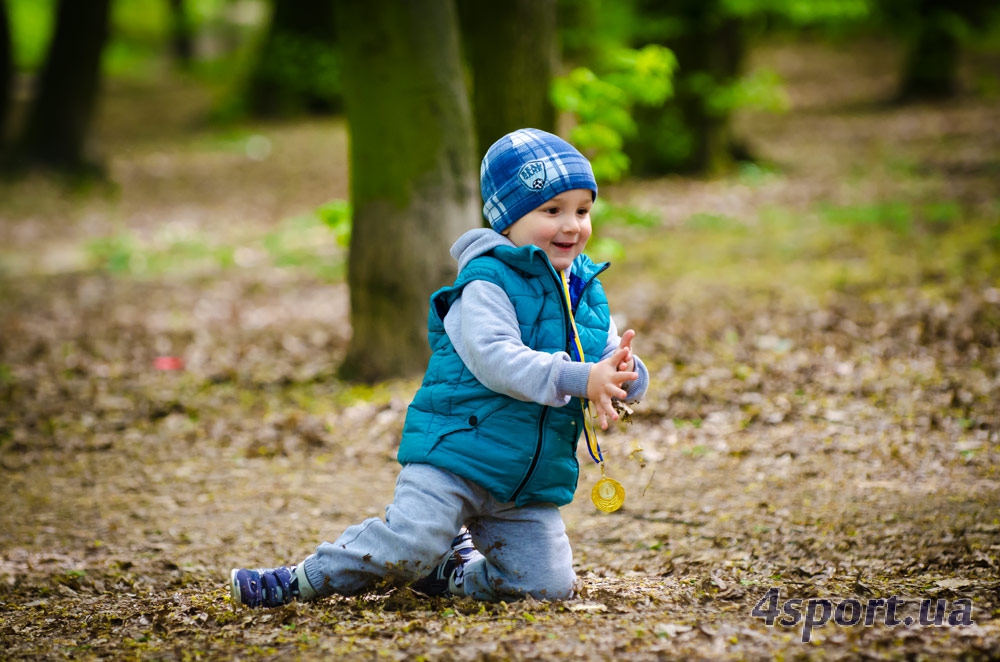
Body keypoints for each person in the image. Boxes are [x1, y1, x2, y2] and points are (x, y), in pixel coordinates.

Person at [229, 128, 649, 608]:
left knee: (547, 588)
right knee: (410, 547)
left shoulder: (585, 290)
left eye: (582, 209)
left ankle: (454, 575)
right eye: (551, 211)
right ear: (507, 219)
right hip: (455, 455)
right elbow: (498, 360)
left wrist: (624, 377)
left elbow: (605, 360)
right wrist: (580, 377)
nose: (571, 225)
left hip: (524, 482)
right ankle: (302, 579)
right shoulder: (485, 283)